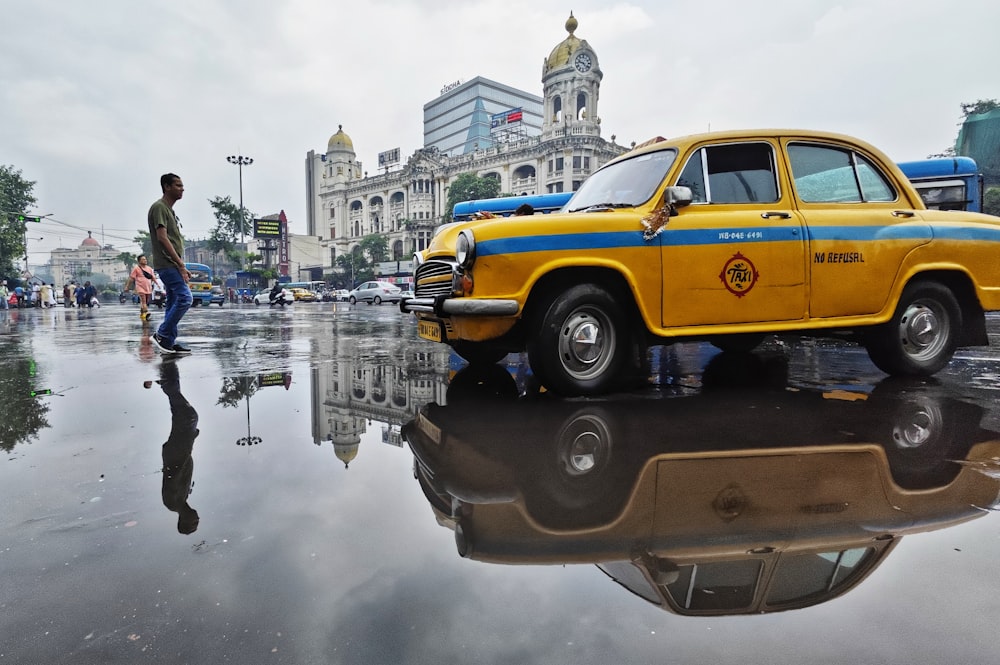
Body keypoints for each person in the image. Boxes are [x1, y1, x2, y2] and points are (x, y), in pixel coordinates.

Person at [148, 173, 192, 354]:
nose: (182, 189)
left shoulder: (168, 210)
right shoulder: (159, 207)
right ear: (167, 186)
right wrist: (180, 264)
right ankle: (162, 334)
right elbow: (162, 237)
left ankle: (167, 341)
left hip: (171, 264)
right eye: (178, 185)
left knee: (173, 301)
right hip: (167, 264)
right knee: (185, 298)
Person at [154, 358, 200, 534]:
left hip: (177, 449)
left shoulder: (173, 502)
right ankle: (168, 374)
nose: (197, 518)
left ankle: (167, 373)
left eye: (194, 522)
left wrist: (187, 443)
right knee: (183, 412)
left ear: (184, 521)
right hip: (181, 446)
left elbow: (174, 472)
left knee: (188, 415)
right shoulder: (183, 499)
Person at [126, 254, 155, 320]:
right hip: (140, 287)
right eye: (143, 259)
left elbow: (153, 277)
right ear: (139, 261)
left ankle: (142, 313)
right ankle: (146, 312)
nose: (145, 260)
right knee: (143, 300)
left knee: (146, 302)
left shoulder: (149, 269)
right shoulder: (136, 269)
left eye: (145, 259)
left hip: (148, 287)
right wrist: (127, 286)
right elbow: (131, 278)